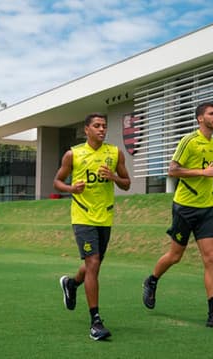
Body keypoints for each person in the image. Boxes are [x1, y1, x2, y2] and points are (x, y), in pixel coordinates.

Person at [142, 102, 213, 328]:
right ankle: (152, 280)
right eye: (212, 114)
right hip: (184, 206)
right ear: (200, 118)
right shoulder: (188, 141)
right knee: (175, 255)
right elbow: (172, 170)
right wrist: (203, 172)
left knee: (211, 258)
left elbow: (207, 172)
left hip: (207, 208)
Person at [54, 113, 131, 341]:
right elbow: (57, 181)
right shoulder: (73, 154)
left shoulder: (115, 153)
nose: (101, 129)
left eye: (104, 126)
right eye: (96, 126)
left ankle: (71, 283)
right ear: (86, 129)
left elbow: (127, 184)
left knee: (92, 267)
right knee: (93, 263)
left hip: (105, 217)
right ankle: (95, 321)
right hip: (83, 216)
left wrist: (114, 177)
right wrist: (71, 189)